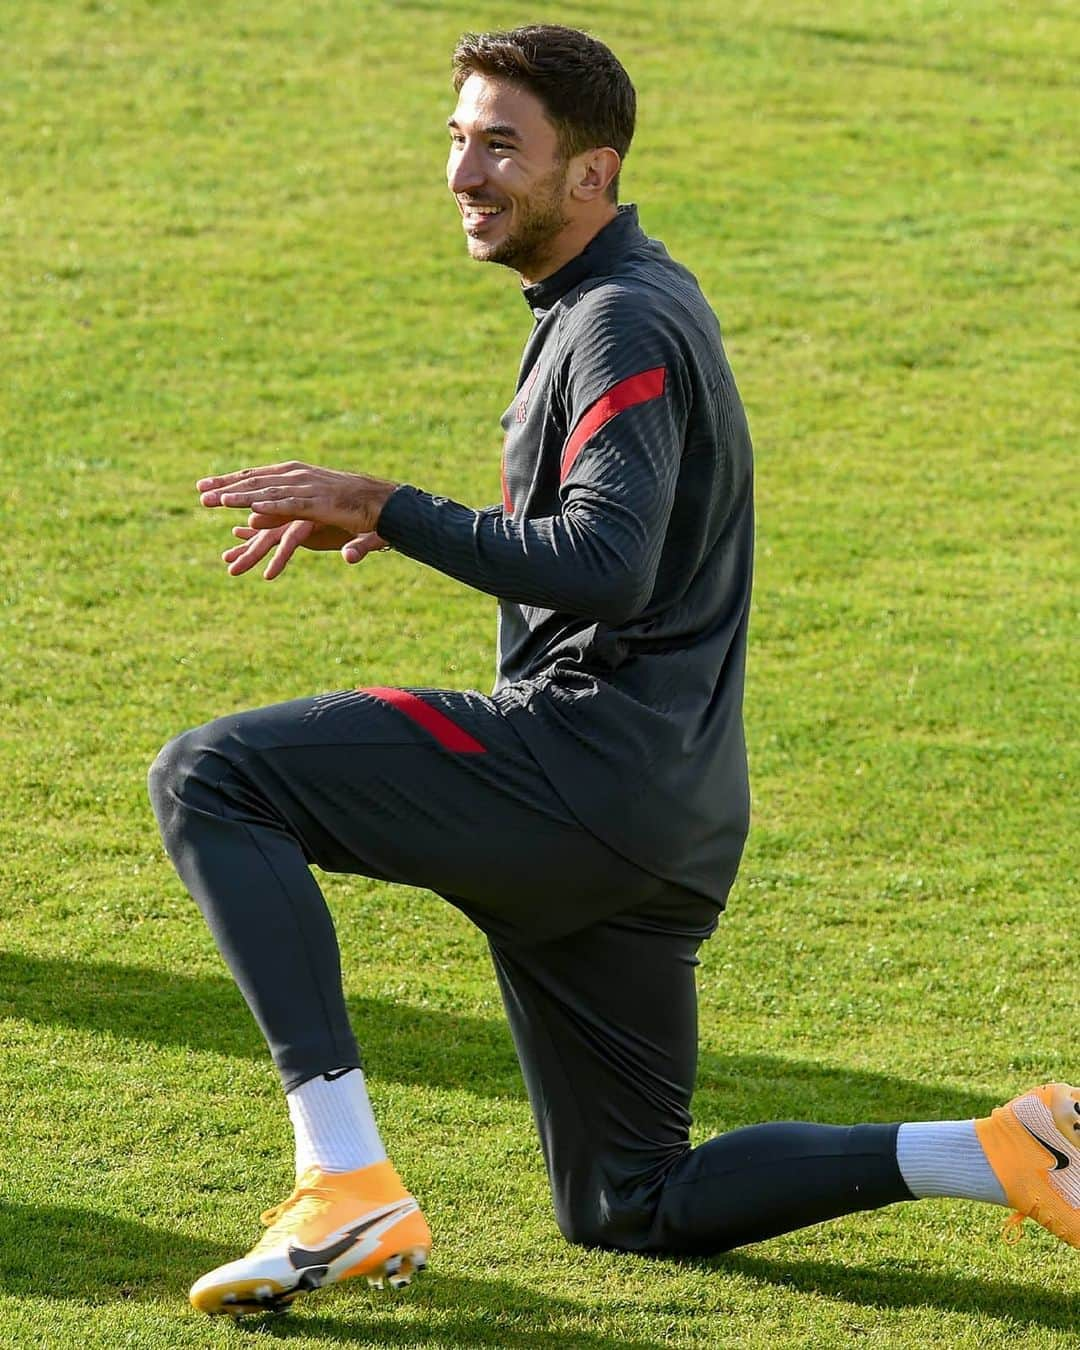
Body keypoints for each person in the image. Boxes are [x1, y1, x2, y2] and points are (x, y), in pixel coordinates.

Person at [149, 24, 1078, 1319]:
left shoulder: (621, 317)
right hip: (668, 817)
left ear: (594, 173)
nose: (467, 174)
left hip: (586, 767)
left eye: (502, 147)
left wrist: (386, 503)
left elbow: (608, 561)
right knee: (632, 1198)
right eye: (458, 140)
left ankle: (343, 1177)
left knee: (214, 776)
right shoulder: (619, 305)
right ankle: (1006, 1148)